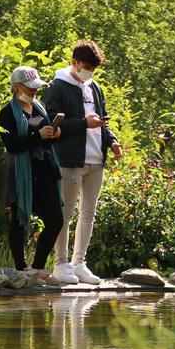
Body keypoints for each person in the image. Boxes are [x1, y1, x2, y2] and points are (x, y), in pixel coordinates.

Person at [44, 40, 123, 285]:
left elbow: (103, 121)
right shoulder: (58, 86)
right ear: (75, 62)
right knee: (65, 213)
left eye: (93, 68)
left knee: (88, 213)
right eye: (86, 66)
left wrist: (112, 141)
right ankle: (61, 263)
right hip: (69, 158)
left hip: (96, 159)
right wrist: (84, 124)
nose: (89, 71)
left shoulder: (95, 87)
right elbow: (53, 124)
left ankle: (80, 263)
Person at [0, 66, 63, 285]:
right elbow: (12, 145)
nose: (34, 90)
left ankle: (38, 267)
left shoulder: (39, 107)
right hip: (21, 172)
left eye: (36, 86)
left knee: (55, 220)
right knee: (19, 220)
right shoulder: (7, 112)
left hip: (45, 169)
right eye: (29, 86)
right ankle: (20, 268)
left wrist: (53, 134)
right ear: (16, 87)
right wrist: (37, 136)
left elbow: (46, 139)